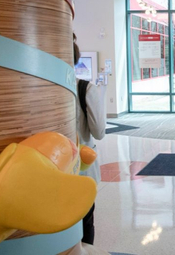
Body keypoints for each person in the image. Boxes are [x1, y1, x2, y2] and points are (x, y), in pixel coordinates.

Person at [73, 33, 106, 244]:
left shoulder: (39, 90)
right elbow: (99, 132)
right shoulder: (84, 89)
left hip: (45, 168)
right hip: (81, 169)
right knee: (85, 224)